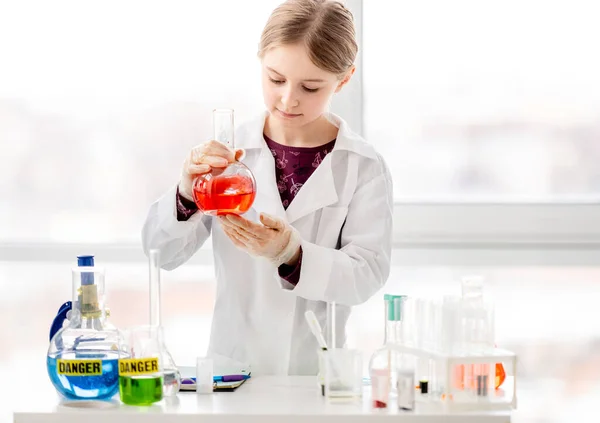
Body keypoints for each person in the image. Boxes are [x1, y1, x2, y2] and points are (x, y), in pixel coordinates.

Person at [142, 0, 393, 375]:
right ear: (260, 61)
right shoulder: (225, 159)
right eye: (276, 79)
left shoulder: (362, 166)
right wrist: (185, 193)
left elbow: (365, 276)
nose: (288, 99)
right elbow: (159, 253)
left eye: (310, 87)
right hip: (232, 371)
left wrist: (291, 254)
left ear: (343, 79)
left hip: (314, 374)